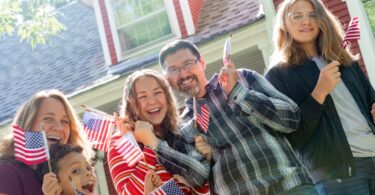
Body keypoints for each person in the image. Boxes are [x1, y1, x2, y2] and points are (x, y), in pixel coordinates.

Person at [159, 39, 315, 194]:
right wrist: (207, 155)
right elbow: (197, 178)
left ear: (202, 62)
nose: (183, 73)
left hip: (289, 186)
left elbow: (292, 120)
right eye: (173, 69)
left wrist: (239, 93)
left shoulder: (242, 78)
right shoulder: (181, 127)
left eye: (188, 64)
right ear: (167, 79)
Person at [265, 0, 375, 194]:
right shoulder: (277, 76)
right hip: (339, 176)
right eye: (297, 16)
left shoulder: (344, 61)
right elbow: (292, 137)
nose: (306, 21)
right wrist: (320, 92)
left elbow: (370, 99)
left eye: (312, 15)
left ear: (322, 19)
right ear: (283, 24)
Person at [108, 69, 210, 195]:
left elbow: (201, 186)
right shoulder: (122, 141)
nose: (152, 101)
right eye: (142, 96)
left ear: (167, 98)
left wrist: (207, 161)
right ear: (131, 104)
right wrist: (150, 148)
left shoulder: (180, 134)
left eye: (157, 92)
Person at [0, 89, 89, 195]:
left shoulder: (69, 178)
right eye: (48, 119)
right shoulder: (6, 173)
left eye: (65, 121)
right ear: (28, 125)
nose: (59, 128)